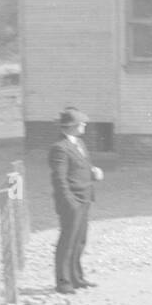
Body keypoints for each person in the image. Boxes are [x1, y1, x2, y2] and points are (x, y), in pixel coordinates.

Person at [48, 107, 104, 293]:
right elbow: (59, 179)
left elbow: (81, 167)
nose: (85, 125)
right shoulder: (60, 148)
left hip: (85, 198)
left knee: (80, 240)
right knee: (68, 241)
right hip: (72, 202)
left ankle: (76, 278)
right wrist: (70, 202)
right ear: (72, 126)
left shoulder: (79, 143)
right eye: (82, 123)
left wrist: (93, 172)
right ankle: (63, 282)